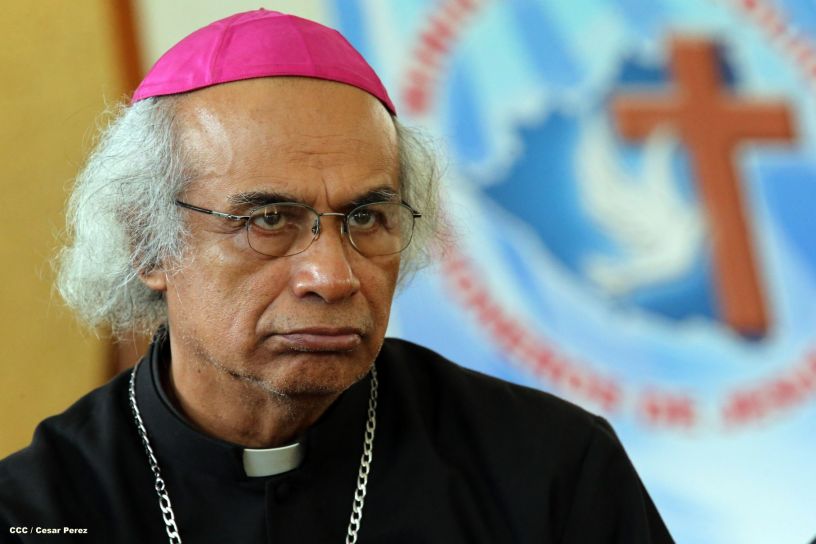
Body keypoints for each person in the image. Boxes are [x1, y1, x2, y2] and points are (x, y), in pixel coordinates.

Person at [0, 9, 673, 543]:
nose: (332, 275)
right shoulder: (37, 509)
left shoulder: (552, 472)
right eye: (268, 219)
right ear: (148, 242)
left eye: (366, 218)